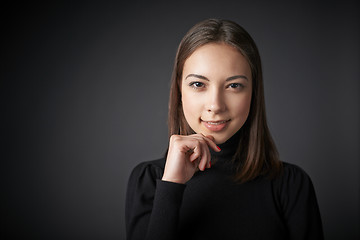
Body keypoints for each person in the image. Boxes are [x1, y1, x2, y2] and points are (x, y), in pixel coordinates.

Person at [125, 18, 324, 240]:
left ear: (253, 92)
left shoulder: (291, 184)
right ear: (179, 90)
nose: (215, 106)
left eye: (234, 86)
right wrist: (171, 185)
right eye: (198, 84)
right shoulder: (149, 180)